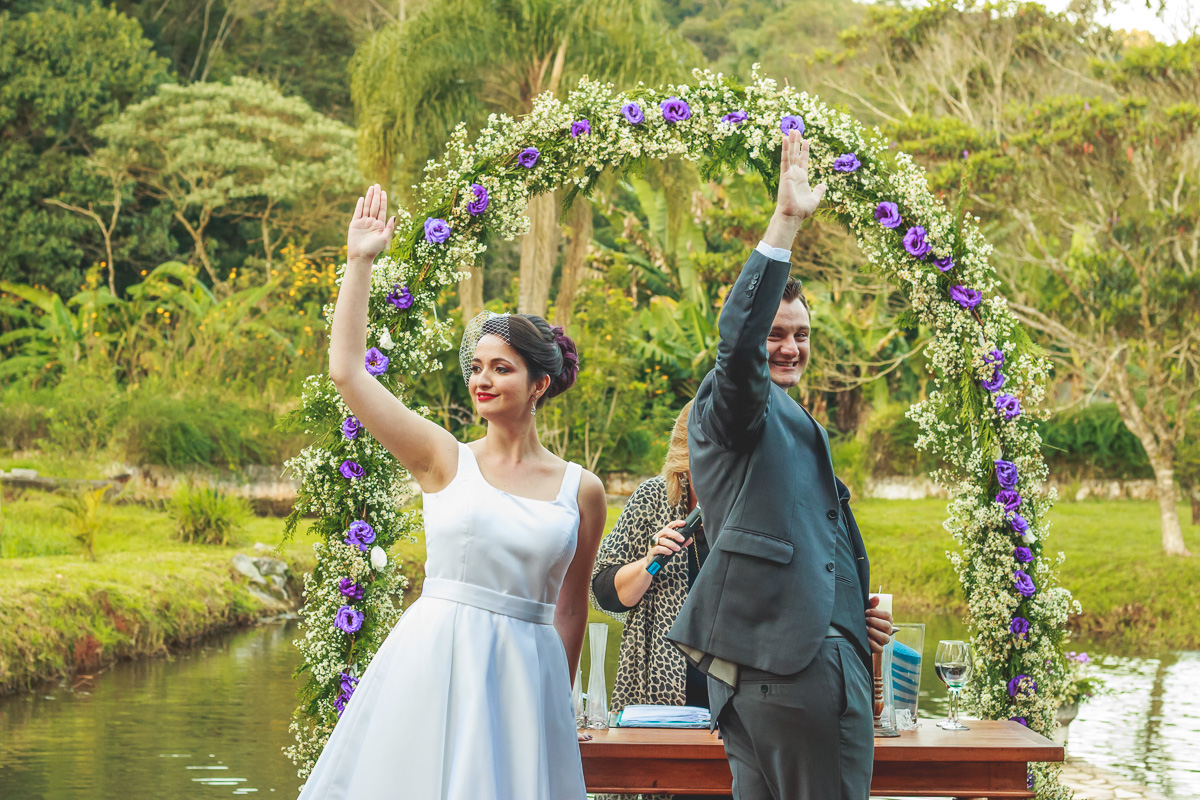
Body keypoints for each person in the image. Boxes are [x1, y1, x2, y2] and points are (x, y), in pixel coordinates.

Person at [298, 184, 607, 800]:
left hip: (528, 677)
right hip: (435, 664)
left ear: (540, 383)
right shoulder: (442, 458)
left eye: (501, 367)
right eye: (476, 367)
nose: (481, 380)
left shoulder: (583, 488)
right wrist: (360, 263)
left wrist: (556, 702)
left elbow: (572, 608)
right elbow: (348, 372)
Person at [667, 133, 894, 800]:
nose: (789, 347)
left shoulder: (794, 425)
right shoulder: (737, 406)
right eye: (777, 334)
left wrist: (853, 619)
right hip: (799, 672)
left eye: (801, 335)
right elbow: (739, 347)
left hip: (764, 672)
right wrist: (786, 222)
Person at [590, 400, 731, 800]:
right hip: (659, 697)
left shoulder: (752, 506)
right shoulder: (652, 497)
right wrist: (650, 562)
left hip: (738, 700)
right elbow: (604, 592)